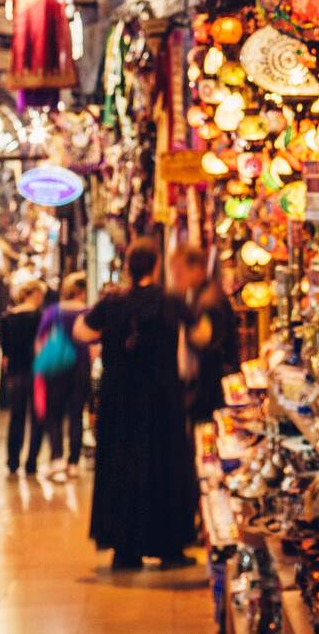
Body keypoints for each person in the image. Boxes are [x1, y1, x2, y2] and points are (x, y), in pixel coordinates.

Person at [73, 240, 209, 569]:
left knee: (122, 467)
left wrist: (107, 333)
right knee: (164, 467)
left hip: (119, 399)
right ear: (156, 266)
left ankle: (125, 549)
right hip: (162, 398)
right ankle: (168, 548)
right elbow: (202, 333)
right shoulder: (169, 300)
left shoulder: (112, 301)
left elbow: (80, 330)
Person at [171, 245, 239, 426]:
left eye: (179, 273)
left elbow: (205, 340)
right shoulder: (200, 294)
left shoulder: (209, 300)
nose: (175, 279)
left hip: (212, 392)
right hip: (207, 389)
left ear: (196, 269)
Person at [39, 274, 92, 482]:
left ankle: (57, 459)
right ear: (81, 292)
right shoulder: (88, 312)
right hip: (81, 367)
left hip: (57, 368)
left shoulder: (53, 312)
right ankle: (73, 464)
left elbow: (41, 340)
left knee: (55, 414)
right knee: (77, 414)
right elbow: (94, 341)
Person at [0, 281, 46, 475]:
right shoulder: (40, 317)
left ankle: (13, 461)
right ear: (33, 294)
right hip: (38, 373)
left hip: (16, 374)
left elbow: (5, 354)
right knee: (37, 418)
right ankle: (31, 462)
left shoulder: (7, 318)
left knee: (16, 417)